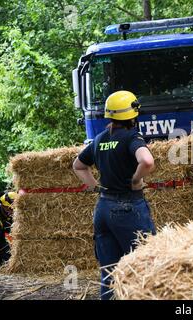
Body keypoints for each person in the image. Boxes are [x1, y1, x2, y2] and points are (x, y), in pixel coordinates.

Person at [73, 90, 156, 300]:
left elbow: (78, 165)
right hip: (128, 208)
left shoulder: (100, 139)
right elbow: (147, 161)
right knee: (145, 266)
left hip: (103, 209)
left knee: (109, 272)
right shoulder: (132, 137)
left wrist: (95, 187)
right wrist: (136, 179)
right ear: (132, 114)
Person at [0, 191, 17, 267]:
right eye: (9, 209)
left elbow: (8, 233)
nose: (11, 212)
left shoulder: (6, 215)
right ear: (2, 205)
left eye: (13, 209)